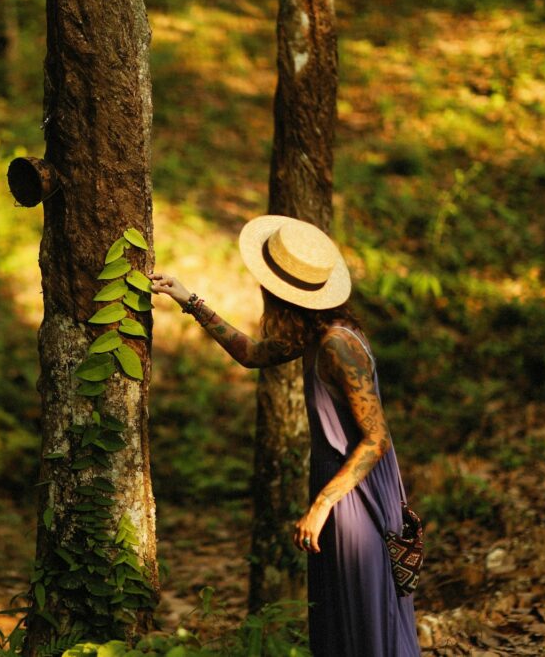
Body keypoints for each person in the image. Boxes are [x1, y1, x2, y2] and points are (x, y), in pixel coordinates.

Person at [149, 215, 420, 657]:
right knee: (340, 613)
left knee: (366, 613)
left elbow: (376, 439)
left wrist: (321, 505)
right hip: (338, 484)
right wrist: (190, 300)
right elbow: (252, 354)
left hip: (355, 490)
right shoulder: (314, 333)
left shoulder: (337, 344)